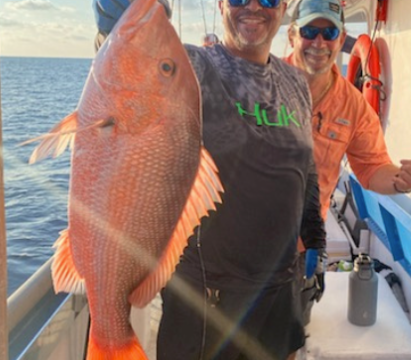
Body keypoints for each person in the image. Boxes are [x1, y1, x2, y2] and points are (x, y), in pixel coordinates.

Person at [93, 0, 326, 359]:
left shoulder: (295, 81)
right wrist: (125, 13)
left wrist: (315, 239)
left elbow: (306, 168)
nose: (253, 7)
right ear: (220, 5)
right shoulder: (192, 66)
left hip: (281, 286)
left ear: (283, 8)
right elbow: (131, 61)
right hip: (208, 297)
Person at [284, 0, 411, 357]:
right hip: (244, 242)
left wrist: (400, 180)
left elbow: (371, 169)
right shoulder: (261, 81)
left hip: (302, 246)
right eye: (308, 31)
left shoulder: (353, 105)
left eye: (329, 32)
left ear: (342, 38)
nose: (318, 42)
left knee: (288, 335)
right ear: (292, 35)